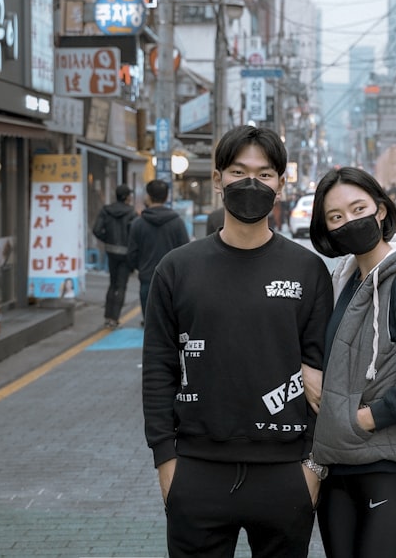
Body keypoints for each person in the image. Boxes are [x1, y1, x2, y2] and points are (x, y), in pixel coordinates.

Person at [142, 125, 334, 558]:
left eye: (265, 174)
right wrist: (166, 459)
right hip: (196, 470)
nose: (251, 183)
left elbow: (324, 373)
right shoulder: (177, 269)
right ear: (217, 180)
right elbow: (159, 367)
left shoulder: (308, 270)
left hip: (287, 472)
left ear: (281, 185)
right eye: (238, 171)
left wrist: (312, 468)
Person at [307, 167, 396, 558]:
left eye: (359, 208)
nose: (349, 221)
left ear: (382, 210)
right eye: (336, 216)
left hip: (387, 466)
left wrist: (364, 419)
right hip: (338, 467)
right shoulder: (344, 279)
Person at [127, 180, 189, 320]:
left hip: (147, 278)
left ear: (148, 197)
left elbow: (131, 254)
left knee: (150, 324)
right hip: (173, 280)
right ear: (166, 197)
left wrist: (141, 267)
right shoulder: (177, 222)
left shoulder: (138, 223)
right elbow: (185, 251)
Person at [92, 184, 138, 328]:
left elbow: (96, 230)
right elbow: (135, 234)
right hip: (125, 252)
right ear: (126, 197)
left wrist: (107, 239)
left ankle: (107, 317)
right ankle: (115, 319)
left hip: (111, 251)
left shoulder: (106, 210)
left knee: (112, 284)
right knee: (121, 286)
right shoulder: (132, 213)